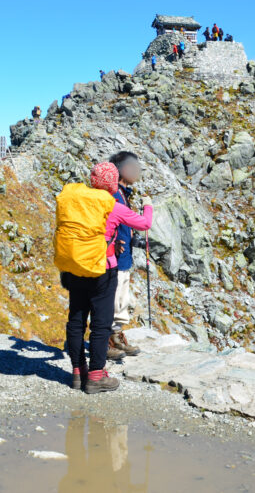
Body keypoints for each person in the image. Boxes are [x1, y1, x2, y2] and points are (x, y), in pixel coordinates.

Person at [59, 163, 152, 394]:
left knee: (76, 320)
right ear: (112, 184)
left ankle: (78, 373)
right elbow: (144, 224)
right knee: (100, 323)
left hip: (75, 267)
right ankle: (97, 376)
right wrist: (148, 206)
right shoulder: (112, 204)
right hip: (102, 269)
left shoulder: (76, 200)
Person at [107, 151, 147, 357]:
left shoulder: (123, 193)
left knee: (121, 299)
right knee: (112, 299)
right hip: (113, 257)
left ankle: (116, 337)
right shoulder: (113, 194)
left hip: (123, 256)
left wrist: (131, 238)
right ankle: (106, 342)